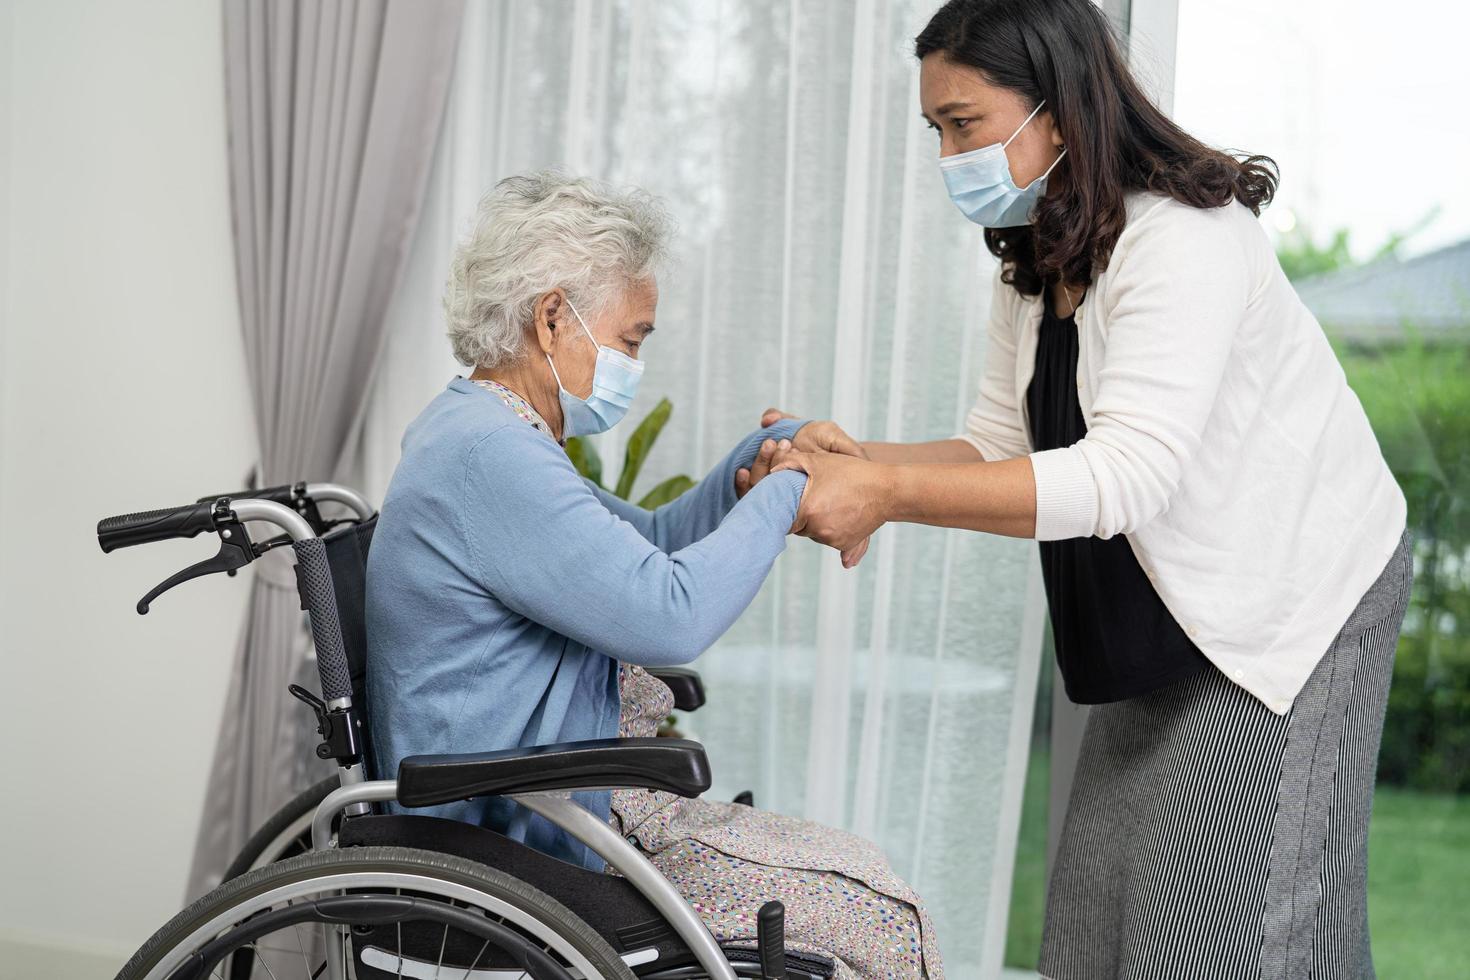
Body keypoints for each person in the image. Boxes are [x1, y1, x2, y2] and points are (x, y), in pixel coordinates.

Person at [758, 2, 1411, 977]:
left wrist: (885, 491)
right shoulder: (1036, 253)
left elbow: (1124, 474)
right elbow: (995, 442)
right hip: (1165, 613)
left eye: (964, 123)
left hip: (1285, 614)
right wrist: (851, 462)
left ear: (1059, 109)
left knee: (1229, 940)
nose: (946, 155)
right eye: (935, 128)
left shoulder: (1182, 233)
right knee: (1095, 930)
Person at [366, 171, 942, 978]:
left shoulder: (484, 431)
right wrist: (792, 489)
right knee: (875, 910)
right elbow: (671, 612)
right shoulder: (489, 455)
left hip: (550, 814)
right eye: (633, 338)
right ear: (553, 316)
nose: (638, 360)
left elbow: (656, 540)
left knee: (861, 884)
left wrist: (760, 460)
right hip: (517, 844)